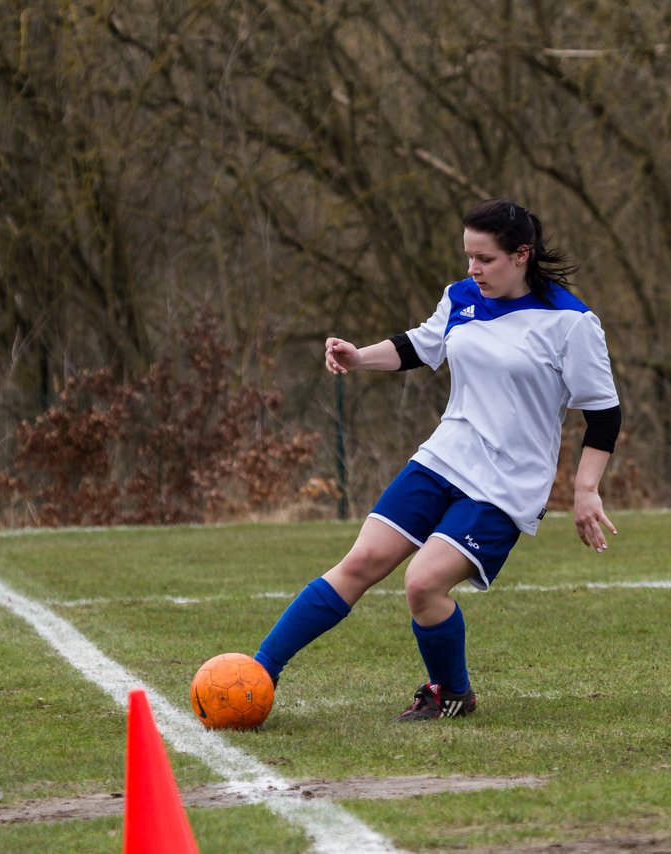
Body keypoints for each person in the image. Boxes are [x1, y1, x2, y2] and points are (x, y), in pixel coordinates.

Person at [253, 198, 622, 720]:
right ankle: (258, 672)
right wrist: (360, 357)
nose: (473, 269)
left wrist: (586, 490)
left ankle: (452, 693)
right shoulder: (462, 297)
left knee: (423, 584)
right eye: (468, 256)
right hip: (443, 458)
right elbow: (420, 346)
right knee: (360, 563)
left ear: (521, 255)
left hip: (505, 484)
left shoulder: (571, 323)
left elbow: (604, 413)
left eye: (485, 258)